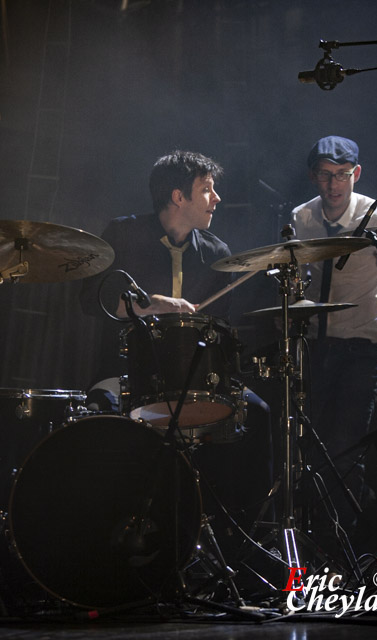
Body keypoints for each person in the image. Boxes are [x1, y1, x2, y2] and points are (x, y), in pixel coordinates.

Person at [79, 150, 273, 546]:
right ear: (178, 197)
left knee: (258, 413)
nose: (216, 198)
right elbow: (90, 299)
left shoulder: (217, 254)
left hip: (195, 379)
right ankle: (100, 540)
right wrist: (152, 304)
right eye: (207, 189)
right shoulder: (123, 234)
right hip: (128, 374)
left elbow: (220, 330)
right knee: (98, 411)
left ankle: (240, 546)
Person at [290, 136, 377, 558]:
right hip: (317, 351)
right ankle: (326, 545)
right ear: (314, 176)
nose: (333, 185)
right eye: (325, 176)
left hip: (365, 347)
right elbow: (294, 287)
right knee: (314, 450)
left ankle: (343, 553)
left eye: (342, 175)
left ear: (356, 174)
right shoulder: (301, 218)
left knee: (346, 449)